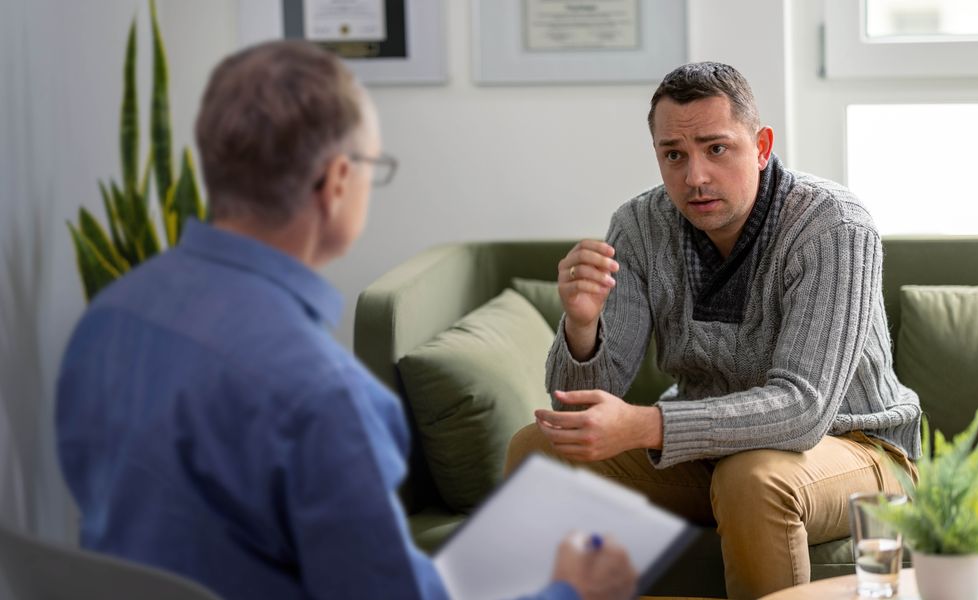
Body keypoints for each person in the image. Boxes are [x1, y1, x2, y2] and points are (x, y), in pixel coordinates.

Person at [56, 40, 635, 600]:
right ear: (336, 181)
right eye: (370, 167)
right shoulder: (325, 397)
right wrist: (569, 592)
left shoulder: (110, 317)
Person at [506, 62, 922, 599]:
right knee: (538, 449)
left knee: (751, 478)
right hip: (711, 457)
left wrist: (649, 425)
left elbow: (803, 410)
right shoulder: (638, 226)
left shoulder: (833, 226)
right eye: (673, 155)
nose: (694, 176)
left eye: (716, 148)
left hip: (856, 447)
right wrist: (582, 327)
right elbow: (577, 412)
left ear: (762, 145)